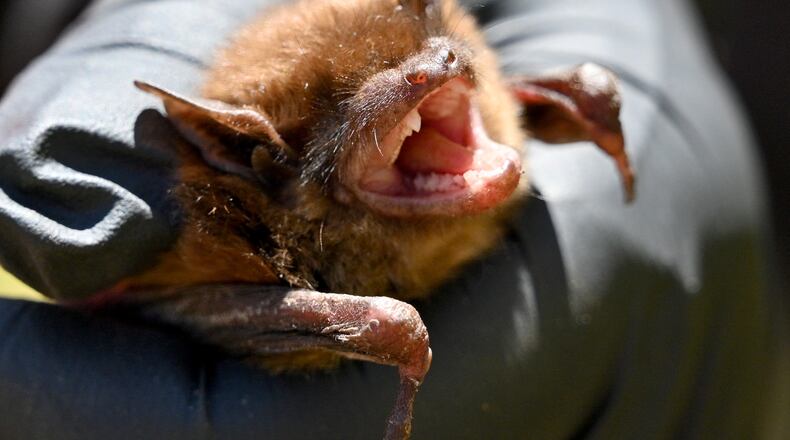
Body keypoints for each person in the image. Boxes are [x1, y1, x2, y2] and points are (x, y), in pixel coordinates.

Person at [0, 0, 786, 438]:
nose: (442, 72)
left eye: (452, 63)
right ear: (268, 169)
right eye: (368, 121)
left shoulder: (487, 96)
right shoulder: (243, 241)